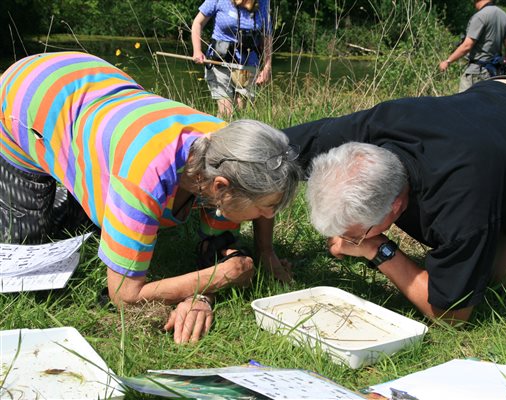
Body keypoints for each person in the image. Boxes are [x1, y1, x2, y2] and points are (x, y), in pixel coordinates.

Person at [0, 51, 300, 343]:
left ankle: (94, 187)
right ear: (220, 187)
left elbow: (220, 238)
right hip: (25, 97)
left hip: (91, 84)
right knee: (26, 236)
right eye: (267, 208)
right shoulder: (143, 179)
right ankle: (74, 182)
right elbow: (123, 296)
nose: (269, 216)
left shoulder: (228, 146)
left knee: (105, 219)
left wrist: (265, 252)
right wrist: (215, 279)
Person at [283, 76, 506, 323]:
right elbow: (272, 151)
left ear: (393, 208)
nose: (343, 240)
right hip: (497, 96)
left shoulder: (461, 197)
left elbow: (452, 314)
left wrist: (376, 248)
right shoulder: (367, 129)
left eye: (354, 233)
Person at [191, 0, 272, 119]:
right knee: (226, 113)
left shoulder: (263, 2)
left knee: (242, 113)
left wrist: (267, 67)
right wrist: (197, 50)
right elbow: (198, 23)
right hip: (219, 62)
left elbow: (267, 35)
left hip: (247, 64)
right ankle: (218, 136)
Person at [439, 0, 506, 93]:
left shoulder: (480, 16)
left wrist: (448, 61)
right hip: (495, 73)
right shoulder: (504, 15)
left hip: (477, 72)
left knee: (464, 104)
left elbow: (467, 45)